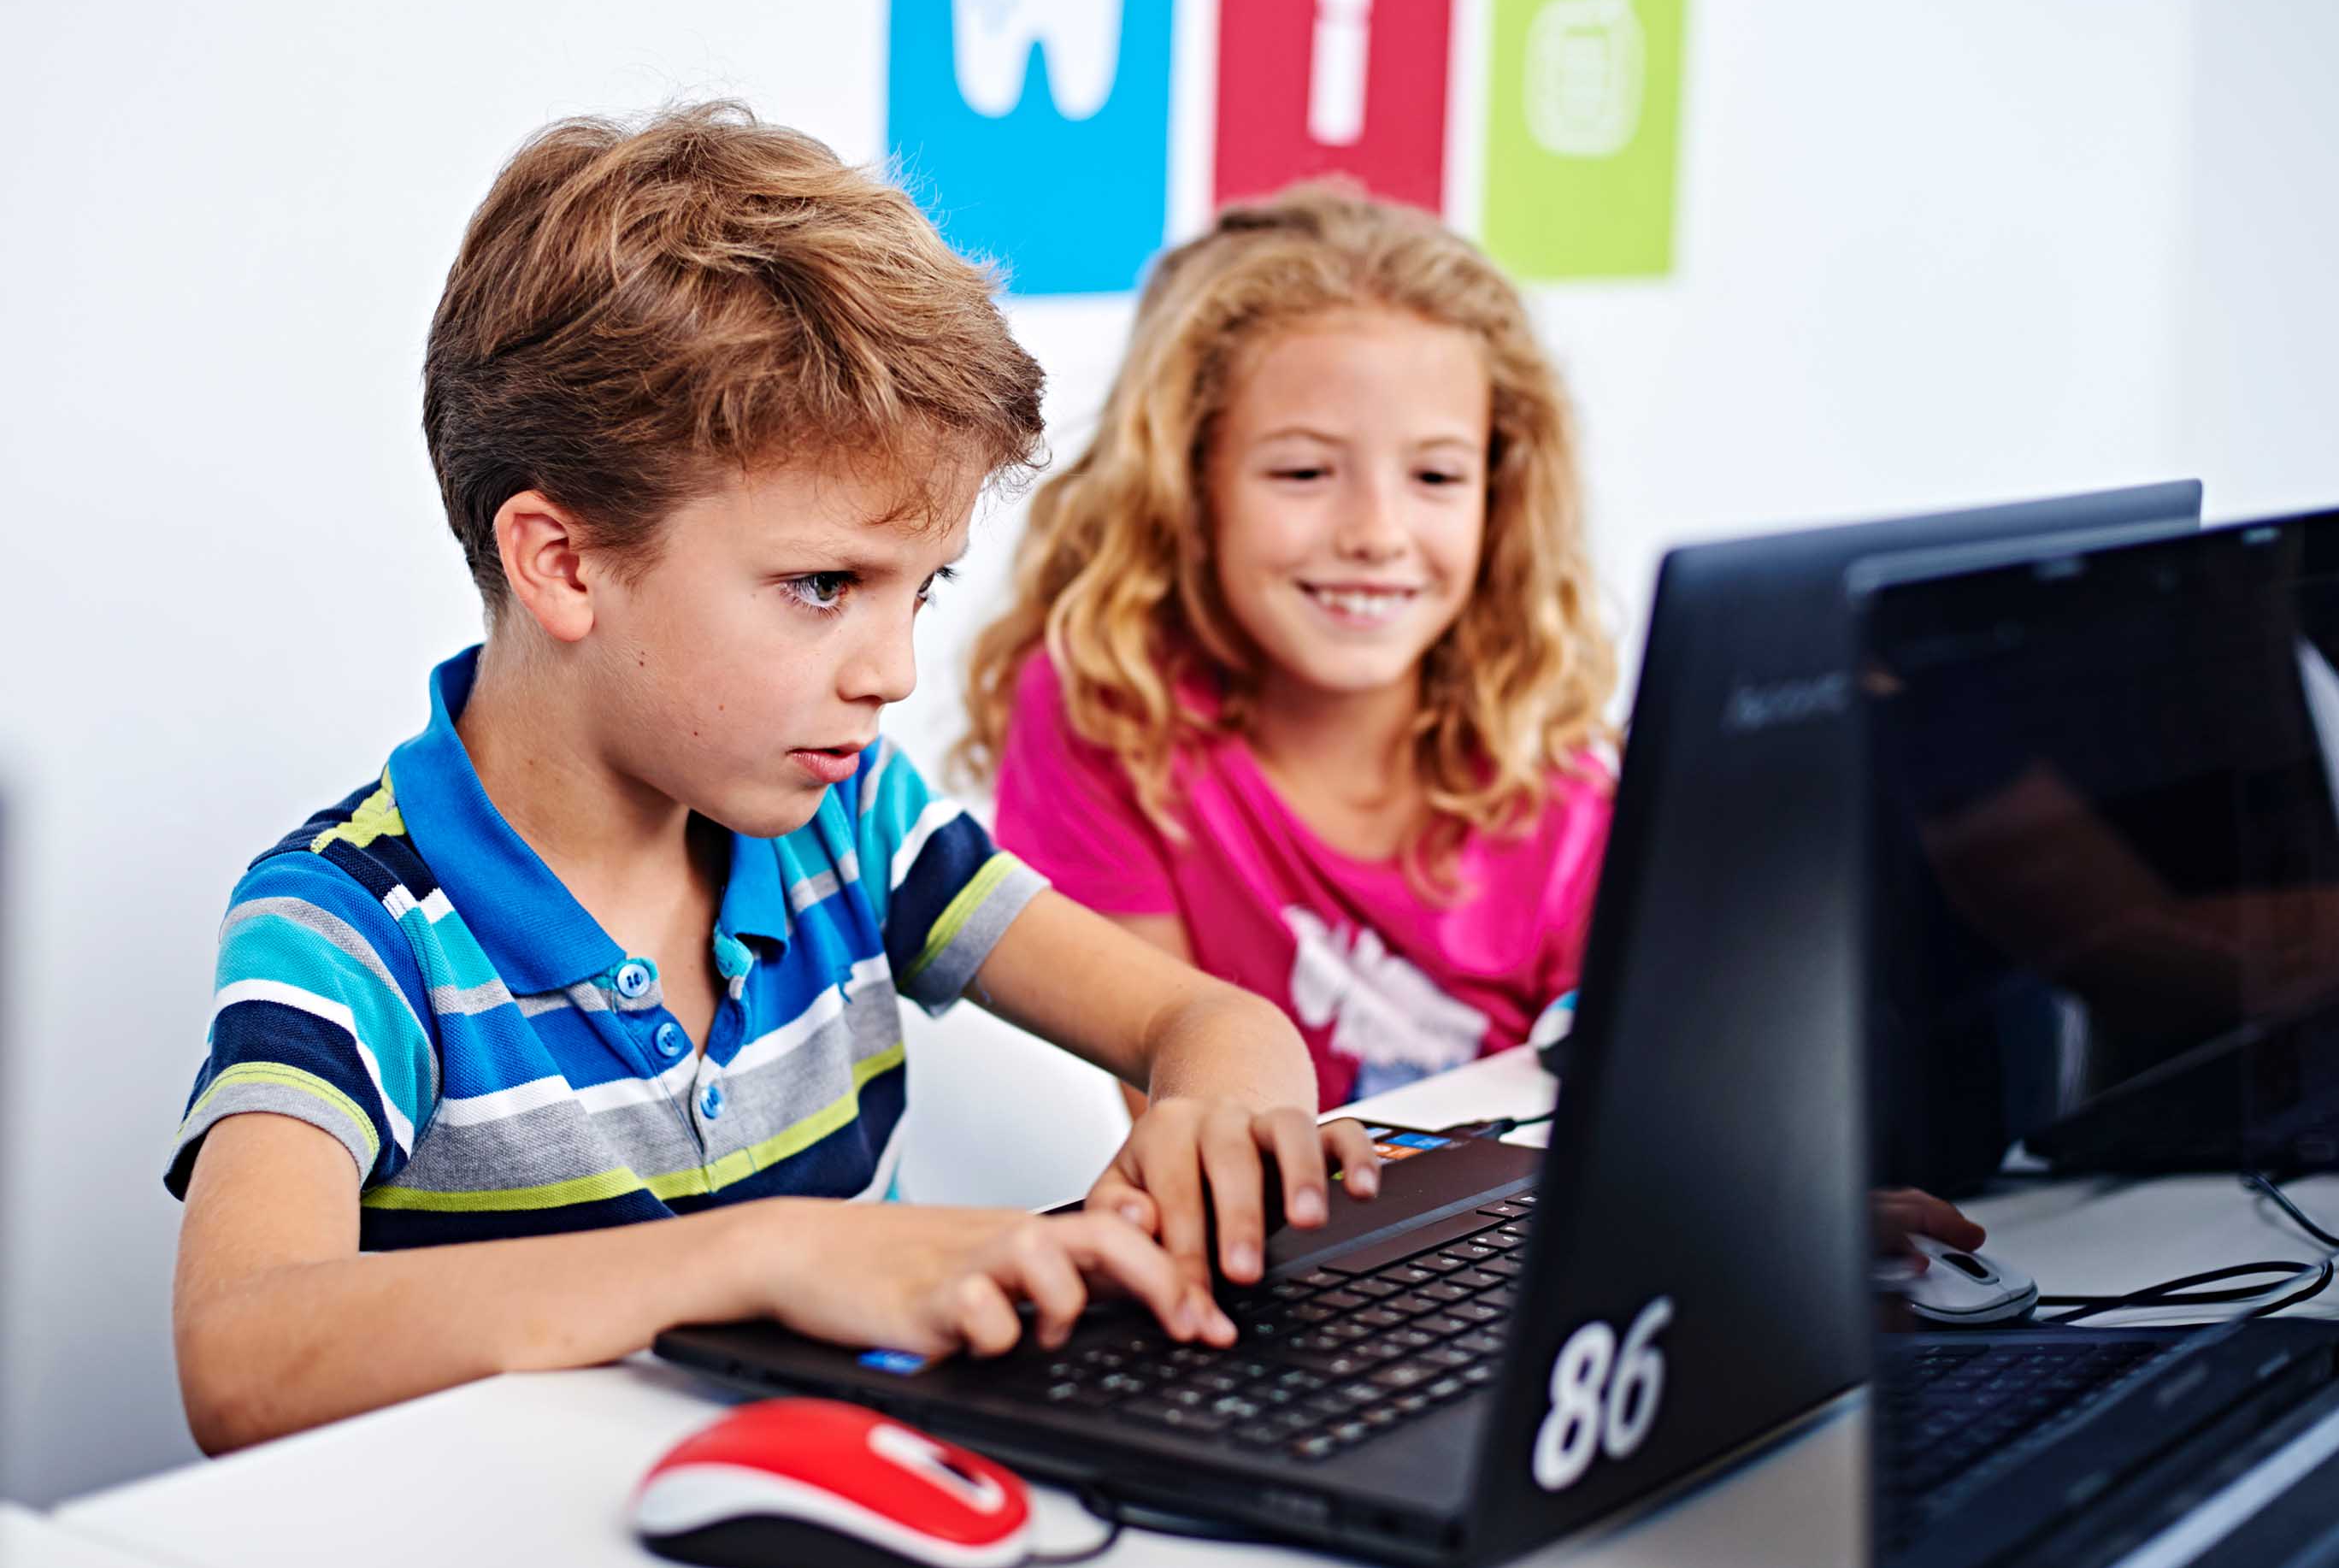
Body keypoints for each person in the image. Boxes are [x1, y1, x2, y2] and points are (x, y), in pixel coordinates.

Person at [165, 104, 1379, 1457]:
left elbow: (1213, 1024)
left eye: (922, 589)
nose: (896, 670)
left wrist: (1223, 1105)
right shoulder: (349, 931)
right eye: (823, 587)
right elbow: (240, 1354)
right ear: (563, 563)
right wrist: (759, 1258)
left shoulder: (855, 825)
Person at [958, 186, 1623, 1112]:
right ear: (1187, 487)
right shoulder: (1108, 710)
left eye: (1436, 474)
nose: (1377, 533)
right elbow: (1188, 1128)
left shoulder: (1567, 789)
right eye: (1304, 472)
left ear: (1499, 499)